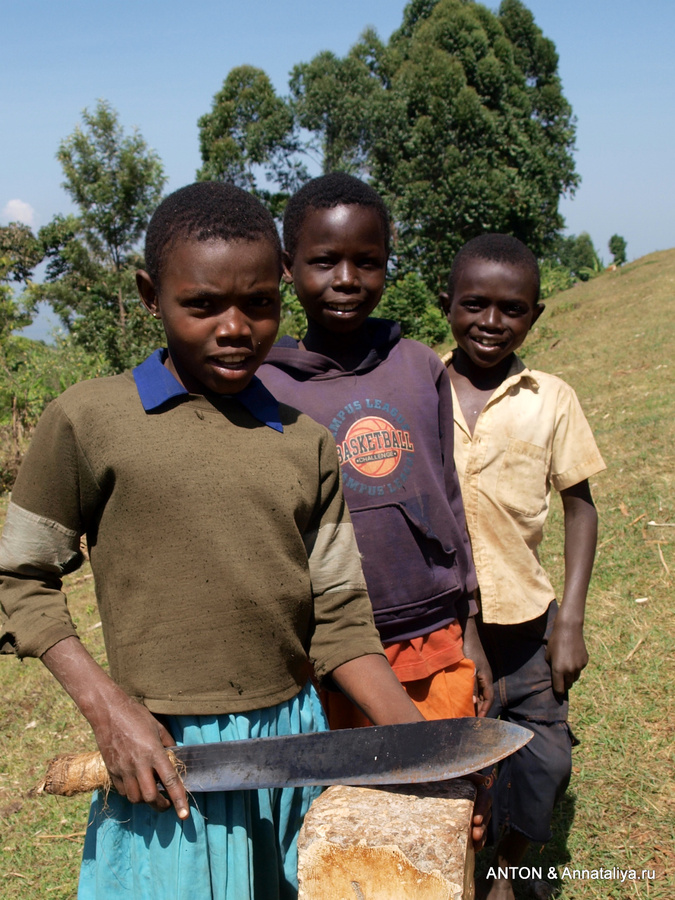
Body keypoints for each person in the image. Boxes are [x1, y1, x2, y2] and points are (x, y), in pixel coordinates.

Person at [0, 182, 429, 900]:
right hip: (163, 757)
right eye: (202, 305)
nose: (235, 327)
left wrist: (425, 750)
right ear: (149, 294)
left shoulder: (304, 442)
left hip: (294, 751)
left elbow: (340, 621)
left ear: (282, 291)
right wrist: (111, 714)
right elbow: (18, 577)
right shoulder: (89, 421)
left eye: (259, 304)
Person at [258, 172, 493, 732]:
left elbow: (449, 501)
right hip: (330, 645)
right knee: (351, 806)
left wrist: (473, 631)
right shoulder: (267, 387)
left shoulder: (419, 367)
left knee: (444, 790)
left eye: (367, 261)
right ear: (288, 266)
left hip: (432, 633)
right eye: (324, 262)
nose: (346, 279)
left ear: (388, 261)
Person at [440, 234, 606, 900]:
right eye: (473, 304)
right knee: (457, 757)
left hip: (530, 622)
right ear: (447, 304)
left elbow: (580, 506)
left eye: (510, 309)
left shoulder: (550, 397)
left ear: (534, 314)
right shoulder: (421, 388)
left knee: (544, 761)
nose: (490, 322)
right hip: (446, 624)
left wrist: (569, 617)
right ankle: (456, 873)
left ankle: (509, 871)